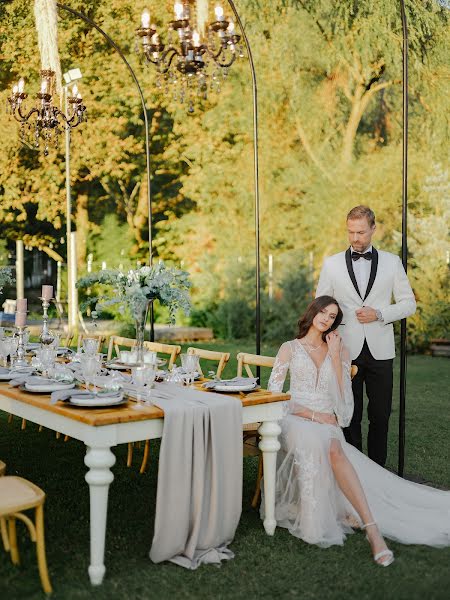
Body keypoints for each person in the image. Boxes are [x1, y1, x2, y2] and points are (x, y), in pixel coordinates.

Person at [265, 296, 450, 564]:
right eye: (323, 312)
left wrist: (337, 357)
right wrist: (312, 414)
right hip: (296, 419)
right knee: (326, 445)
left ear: (335, 323)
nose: (326, 319)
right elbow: (274, 397)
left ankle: (372, 530)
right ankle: (357, 522)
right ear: (312, 312)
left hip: (328, 422)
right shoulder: (289, 348)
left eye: (332, 316)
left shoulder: (340, 350)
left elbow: (344, 409)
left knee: (333, 448)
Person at [315, 205, 416, 466]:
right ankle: (355, 471)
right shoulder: (332, 263)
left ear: (373, 229)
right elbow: (321, 303)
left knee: (380, 416)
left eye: (361, 232)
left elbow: (408, 303)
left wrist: (379, 313)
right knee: (349, 415)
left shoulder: (392, 262)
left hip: (381, 351)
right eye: (351, 232)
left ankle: (378, 472)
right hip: (346, 350)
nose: (355, 238)